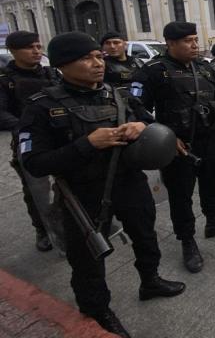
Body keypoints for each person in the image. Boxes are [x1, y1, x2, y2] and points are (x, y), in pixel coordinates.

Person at [19, 32, 185, 337]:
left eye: (99, 56)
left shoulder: (116, 94)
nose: (97, 63)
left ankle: (151, 280)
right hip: (82, 193)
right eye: (86, 58)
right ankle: (96, 311)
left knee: (146, 236)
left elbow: (148, 118)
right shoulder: (41, 106)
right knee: (88, 260)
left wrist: (142, 125)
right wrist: (87, 144)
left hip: (129, 182)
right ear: (61, 65)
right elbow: (34, 163)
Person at [133, 22, 215, 274]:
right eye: (187, 41)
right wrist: (165, 136)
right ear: (170, 43)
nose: (195, 45)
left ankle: (213, 220)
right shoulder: (153, 72)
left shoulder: (206, 68)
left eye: (195, 39)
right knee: (181, 194)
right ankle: (187, 240)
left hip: (210, 139)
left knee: (211, 181)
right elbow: (137, 108)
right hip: (178, 146)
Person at [0, 31, 58, 251]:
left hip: (59, 138)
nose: (36, 51)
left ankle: (67, 221)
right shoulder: (6, 80)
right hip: (30, 142)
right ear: (13, 51)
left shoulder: (50, 74)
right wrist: (25, 127)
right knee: (37, 192)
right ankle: (43, 229)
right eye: (30, 47)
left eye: (38, 46)